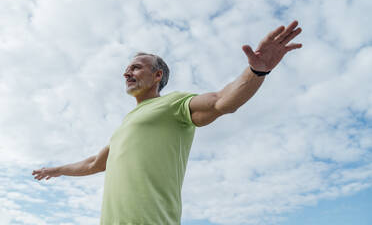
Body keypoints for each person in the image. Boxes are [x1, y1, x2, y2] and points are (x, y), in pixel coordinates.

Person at [32, 20, 302, 224]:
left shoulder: (172, 104)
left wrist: (257, 70)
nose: (127, 71)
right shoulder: (126, 125)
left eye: (136, 67)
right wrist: (57, 170)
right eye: (127, 68)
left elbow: (222, 101)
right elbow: (93, 163)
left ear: (157, 74)